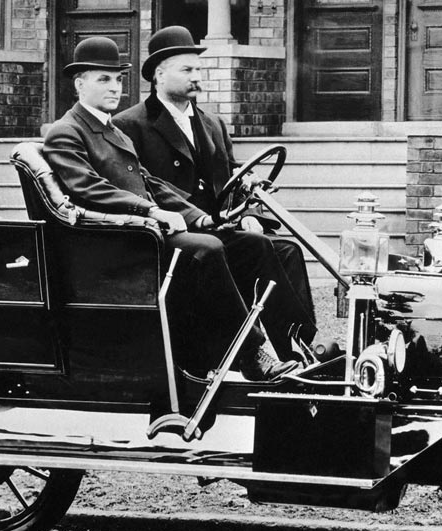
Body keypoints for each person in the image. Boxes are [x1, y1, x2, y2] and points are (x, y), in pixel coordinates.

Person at [42, 36, 299, 381]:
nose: (115, 87)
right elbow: (87, 188)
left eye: (118, 79)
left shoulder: (111, 131)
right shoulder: (66, 131)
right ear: (79, 84)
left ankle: (293, 345)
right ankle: (251, 355)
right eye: (103, 79)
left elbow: (152, 183)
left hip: (143, 234)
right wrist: (150, 211)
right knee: (207, 249)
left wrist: (201, 217)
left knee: (251, 244)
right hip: (113, 244)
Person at [114, 25, 317, 361]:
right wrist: (201, 219)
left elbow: (235, 179)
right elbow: (143, 186)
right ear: (159, 75)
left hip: (221, 228)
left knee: (287, 251)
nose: (197, 77)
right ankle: (272, 354)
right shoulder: (130, 125)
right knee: (258, 247)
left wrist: (250, 213)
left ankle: (301, 347)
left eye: (199, 69)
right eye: (187, 69)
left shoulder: (212, 123)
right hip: (179, 236)